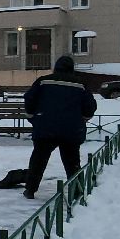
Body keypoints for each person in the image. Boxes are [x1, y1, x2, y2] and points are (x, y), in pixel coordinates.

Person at [20, 55, 97, 199]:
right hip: (71, 130)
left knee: (38, 160)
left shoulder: (43, 81)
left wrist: (33, 118)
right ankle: (77, 191)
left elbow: (29, 99)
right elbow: (90, 106)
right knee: (72, 162)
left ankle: (30, 189)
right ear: (72, 69)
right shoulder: (80, 85)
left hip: (45, 128)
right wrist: (82, 120)